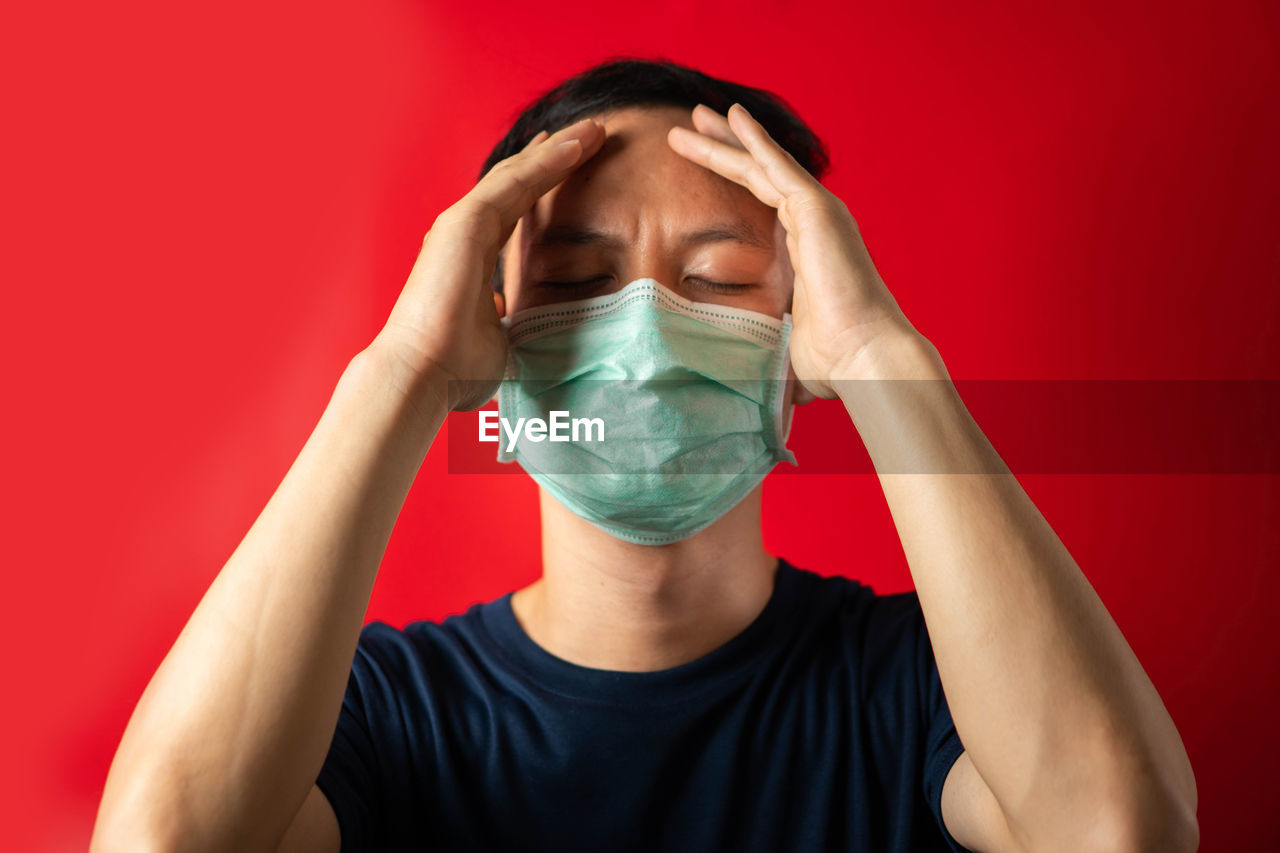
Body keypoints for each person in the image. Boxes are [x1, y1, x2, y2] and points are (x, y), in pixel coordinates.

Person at [91, 57, 1199, 852]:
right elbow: (166, 837)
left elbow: (1115, 828)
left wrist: (876, 354)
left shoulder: (922, 685)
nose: (643, 337)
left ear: (794, 329)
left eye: (714, 281)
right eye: (574, 281)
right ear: (496, 323)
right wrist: (403, 372)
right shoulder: (381, 709)